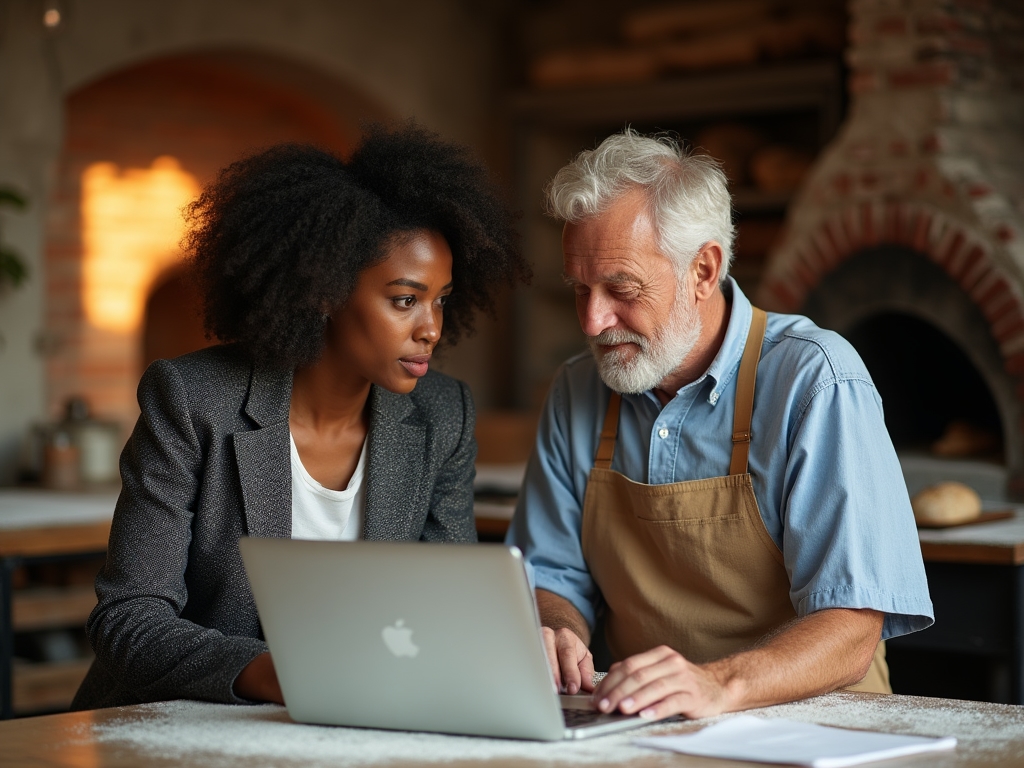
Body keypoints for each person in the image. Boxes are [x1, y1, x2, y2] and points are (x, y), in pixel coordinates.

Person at [72, 125, 528, 710]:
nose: (432, 328)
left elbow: (446, 607)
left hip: (354, 722)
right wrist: (278, 673)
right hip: (172, 720)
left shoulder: (442, 415)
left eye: (441, 299)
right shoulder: (192, 399)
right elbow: (128, 620)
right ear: (323, 291)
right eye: (405, 300)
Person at [506, 129, 933, 721]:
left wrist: (717, 685)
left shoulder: (816, 380)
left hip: (821, 727)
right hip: (646, 726)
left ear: (703, 270)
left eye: (620, 288)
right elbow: (550, 572)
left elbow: (852, 625)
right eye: (580, 288)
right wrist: (557, 630)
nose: (593, 319)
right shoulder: (577, 389)